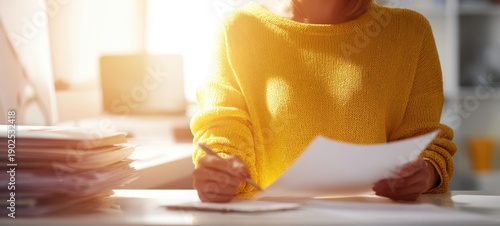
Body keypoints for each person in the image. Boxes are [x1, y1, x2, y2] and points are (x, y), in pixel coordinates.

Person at [190, 0, 457, 203]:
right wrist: (220, 170)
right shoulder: (237, 28)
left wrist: (426, 171)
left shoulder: (410, 32)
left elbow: (425, 139)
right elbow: (222, 129)